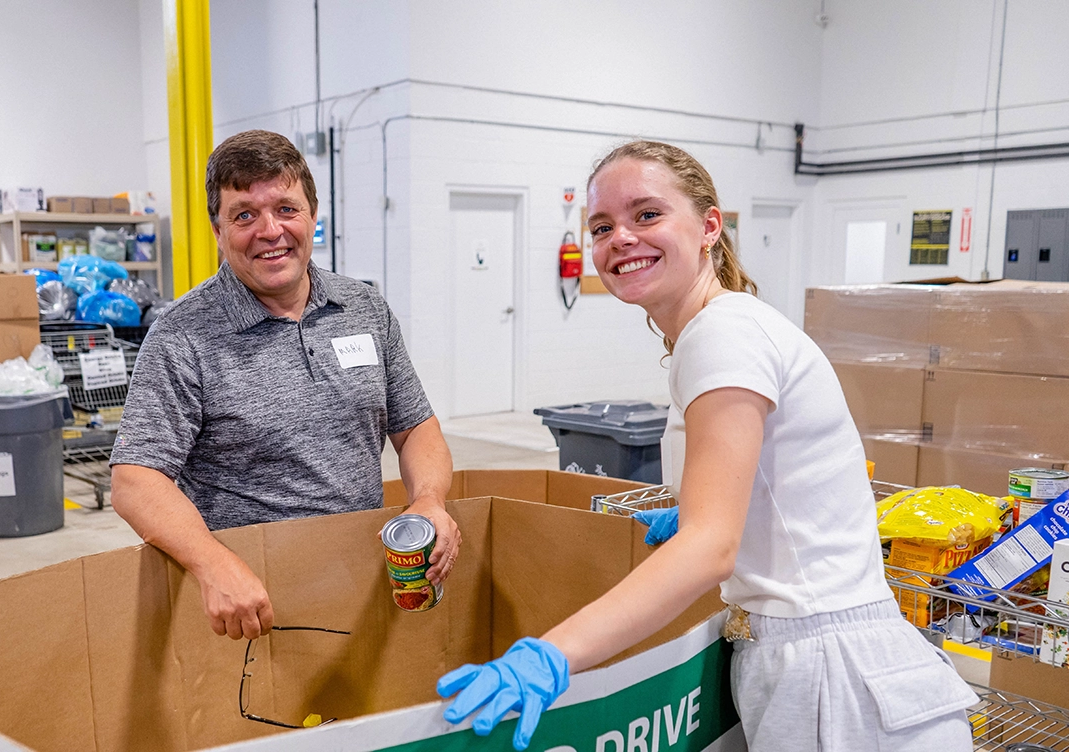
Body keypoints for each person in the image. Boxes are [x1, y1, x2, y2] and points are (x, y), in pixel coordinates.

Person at [437, 141, 976, 751]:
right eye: (601, 225)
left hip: (836, 679)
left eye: (646, 215)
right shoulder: (725, 327)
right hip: (833, 659)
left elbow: (708, 551)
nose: (620, 237)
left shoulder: (723, 334)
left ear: (709, 226)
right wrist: (727, 523)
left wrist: (551, 655)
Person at [110, 129, 459, 642]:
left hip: (360, 578)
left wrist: (429, 500)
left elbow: (415, 429)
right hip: (248, 603)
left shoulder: (363, 307)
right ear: (218, 230)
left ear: (313, 216)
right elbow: (136, 480)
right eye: (245, 214)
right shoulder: (182, 335)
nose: (269, 230)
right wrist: (213, 564)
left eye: (286, 209)